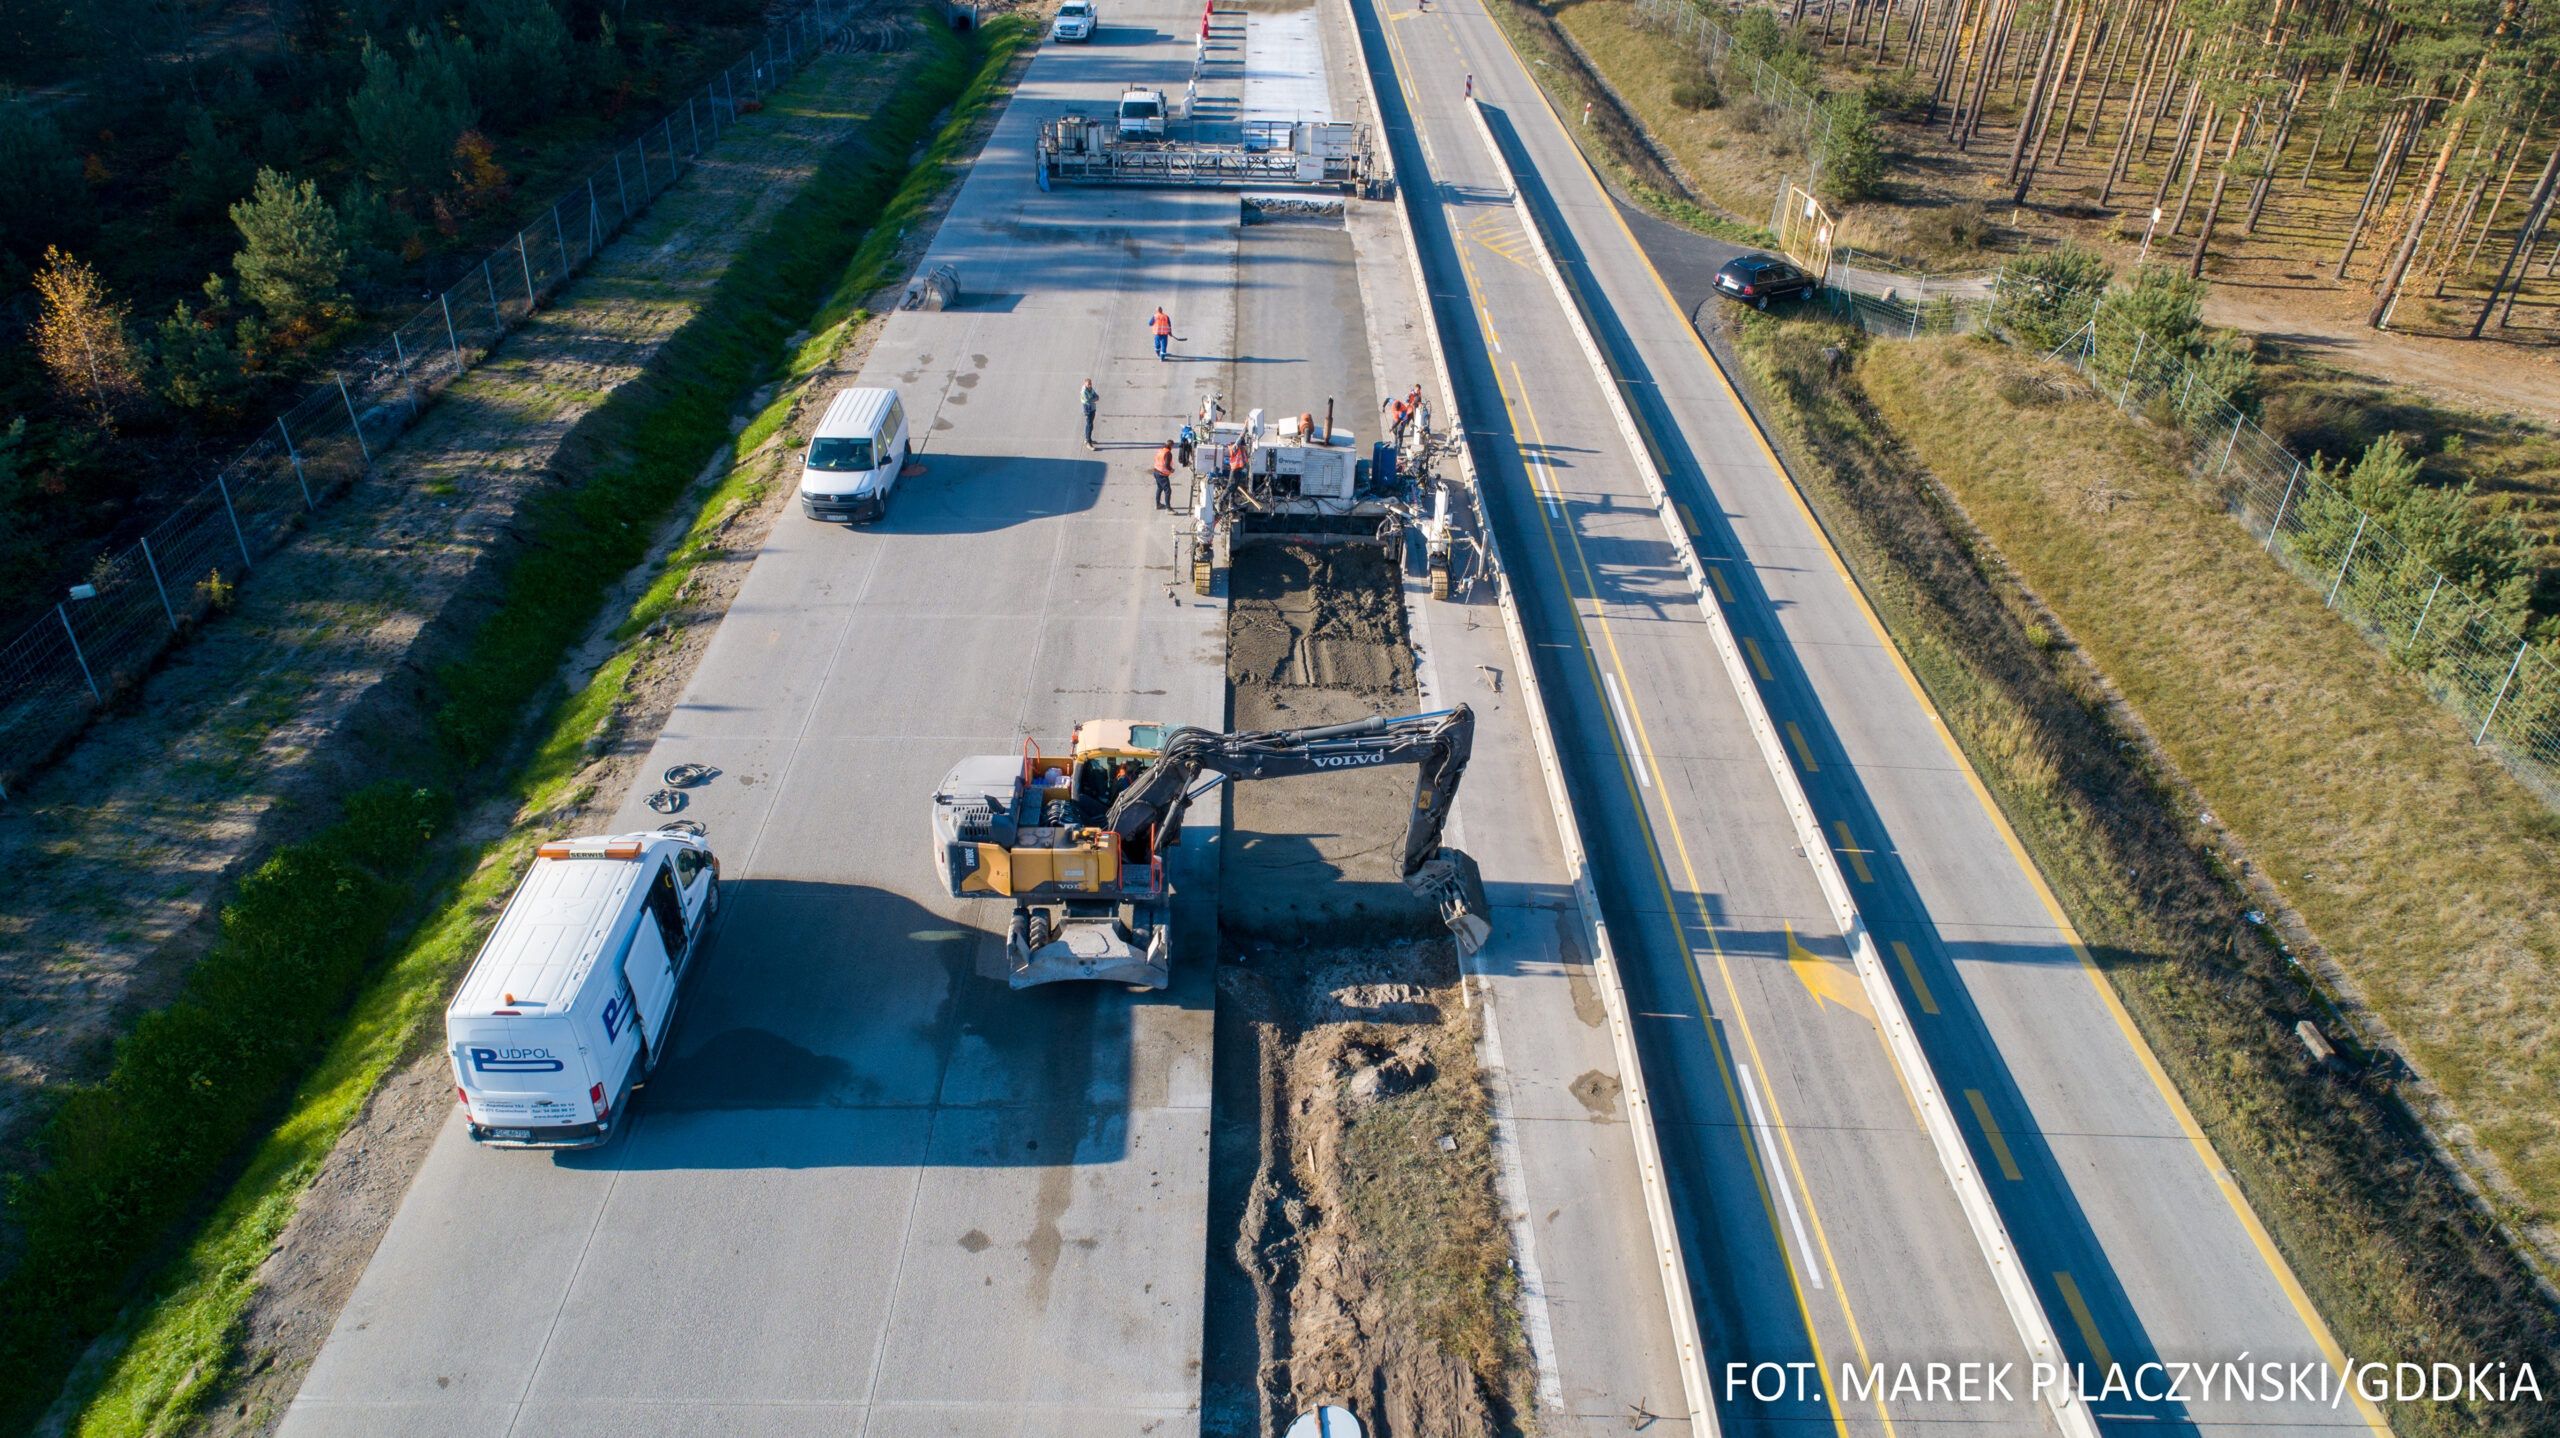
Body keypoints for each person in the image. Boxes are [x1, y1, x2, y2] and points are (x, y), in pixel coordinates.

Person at [1152, 440, 1177, 509]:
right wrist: (1171, 470)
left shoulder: (1161, 450)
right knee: (1168, 490)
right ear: (1171, 446)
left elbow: (1156, 459)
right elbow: (1167, 465)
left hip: (1156, 471)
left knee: (1160, 488)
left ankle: (1158, 504)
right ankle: (1168, 508)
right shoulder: (1168, 453)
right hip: (1162, 474)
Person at [1079, 377, 1099, 450]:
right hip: (1088, 409)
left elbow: (1096, 395)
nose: (1090, 385)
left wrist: (1095, 398)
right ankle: (1088, 442)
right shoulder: (1084, 391)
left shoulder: (1090, 389)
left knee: (1090, 424)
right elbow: (1088, 400)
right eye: (1088, 384)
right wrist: (1095, 399)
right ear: (1085, 384)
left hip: (1092, 407)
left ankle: (1088, 438)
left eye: (1090, 384)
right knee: (1089, 424)